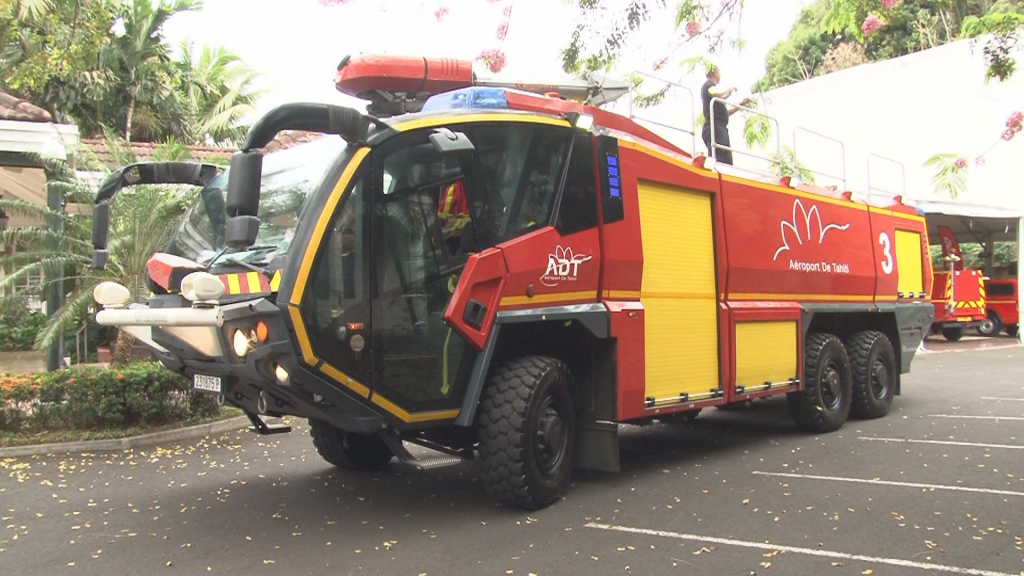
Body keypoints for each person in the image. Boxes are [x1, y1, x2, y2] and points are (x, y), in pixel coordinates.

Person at [700, 65, 753, 165]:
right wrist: (731, 89)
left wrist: (740, 105)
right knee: (718, 159)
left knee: (727, 161)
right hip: (714, 127)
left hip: (721, 128)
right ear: (715, 73)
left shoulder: (713, 93)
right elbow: (721, 94)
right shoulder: (708, 86)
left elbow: (725, 114)